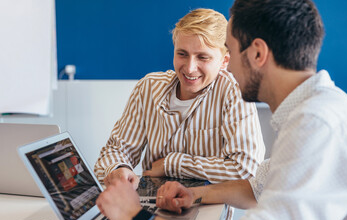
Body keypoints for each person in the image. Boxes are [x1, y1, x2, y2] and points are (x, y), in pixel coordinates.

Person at [96, 0, 347, 220]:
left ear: (257, 54)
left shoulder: (315, 124)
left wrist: (138, 218)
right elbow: (256, 187)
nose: (229, 68)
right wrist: (194, 194)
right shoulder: (316, 111)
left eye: (230, 52)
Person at [94, 9, 265, 189]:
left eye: (203, 57)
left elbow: (247, 169)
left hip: (207, 206)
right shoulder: (149, 87)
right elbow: (114, 152)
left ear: (224, 62)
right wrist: (118, 168)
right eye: (182, 54)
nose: (190, 68)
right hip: (153, 204)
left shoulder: (233, 90)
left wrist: (172, 164)